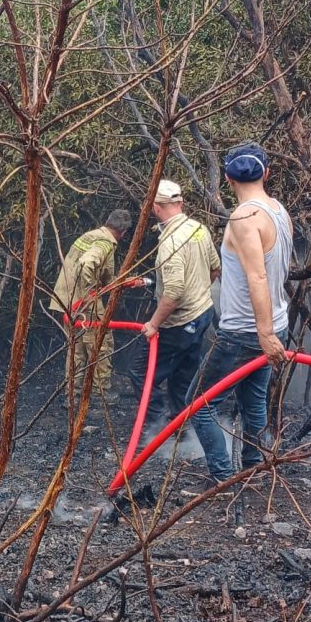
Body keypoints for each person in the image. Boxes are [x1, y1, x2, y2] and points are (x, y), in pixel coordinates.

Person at [184, 143, 293, 494]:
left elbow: (257, 277)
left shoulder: (244, 219)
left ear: (228, 178)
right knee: (253, 401)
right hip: (276, 323)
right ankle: (255, 467)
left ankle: (222, 479)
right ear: (267, 173)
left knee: (198, 404)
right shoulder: (278, 210)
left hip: (246, 332)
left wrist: (263, 334)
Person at [128, 180, 220, 433]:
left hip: (178, 324)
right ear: (179, 203)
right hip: (202, 315)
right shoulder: (198, 229)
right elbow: (215, 267)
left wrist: (154, 324)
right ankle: (182, 425)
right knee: (183, 374)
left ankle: (157, 428)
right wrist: (198, 291)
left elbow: (174, 293)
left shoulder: (170, 242)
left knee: (140, 372)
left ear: (156, 207)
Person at [50, 209, 133, 404]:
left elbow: (101, 275)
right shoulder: (105, 243)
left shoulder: (90, 236)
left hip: (68, 301)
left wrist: (123, 282)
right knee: (102, 344)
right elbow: (88, 264)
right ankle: (100, 394)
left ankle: (73, 395)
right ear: (123, 232)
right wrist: (89, 296)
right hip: (85, 303)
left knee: (76, 349)